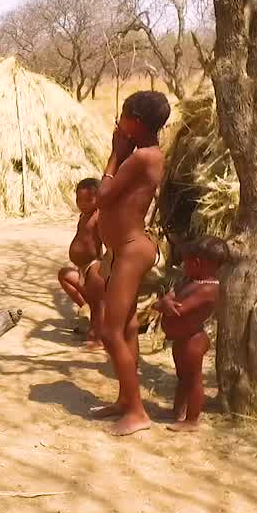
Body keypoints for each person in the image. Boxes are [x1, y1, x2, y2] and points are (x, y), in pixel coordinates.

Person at [91, 91, 171, 436]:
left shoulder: (141, 159)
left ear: (134, 122)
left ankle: (138, 412)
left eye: (122, 116)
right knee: (125, 328)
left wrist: (113, 156)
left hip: (131, 248)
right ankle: (126, 399)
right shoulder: (143, 156)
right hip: (124, 249)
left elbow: (104, 196)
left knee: (110, 330)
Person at [155, 235, 226, 432]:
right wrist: (165, 301)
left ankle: (192, 419)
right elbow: (168, 298)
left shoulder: (208, 289)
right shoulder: (188, 279)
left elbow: (179, 309)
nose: (182, 267)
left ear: (197, 263)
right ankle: (177, 411)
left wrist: (164, 304)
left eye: (185, 263)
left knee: (194, 379)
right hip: (181, 340)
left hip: (194, 340)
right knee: (182, 378)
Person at [57, 177, 104, 347]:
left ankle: (97, 337)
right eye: (79, 200)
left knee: (99, 304)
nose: (82, 204)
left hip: (94, 265)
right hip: (81, 268)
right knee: (64, 275)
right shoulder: (83, 215)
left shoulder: (99, 217)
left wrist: (103, 264)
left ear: (98, 198)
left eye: (88, 200)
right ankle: (85, 305)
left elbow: (107, 241)